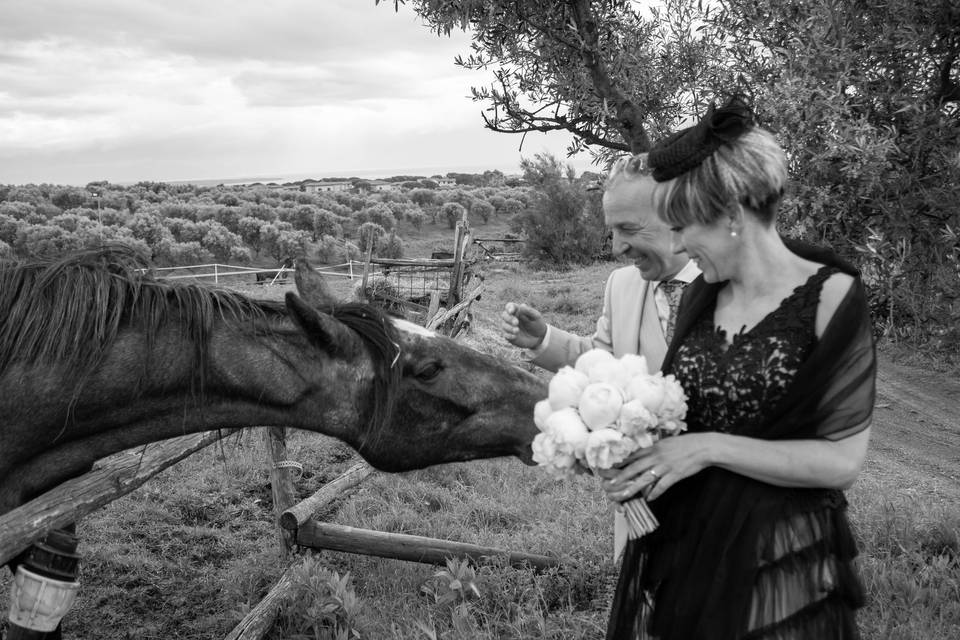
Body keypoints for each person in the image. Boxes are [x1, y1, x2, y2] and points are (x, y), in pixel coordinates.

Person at [601, 98, 875, 639]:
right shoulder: (703, 294)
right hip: (690, 549)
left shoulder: (832, 298)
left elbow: (842, 461)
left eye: (683, 227)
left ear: (731, 216)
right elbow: (679, 410)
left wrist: (708, 449)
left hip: (780, 563)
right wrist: (630, 448)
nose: (676, 244)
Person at [500, 155, 699, 560]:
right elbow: (603, 364)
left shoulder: (729, 283)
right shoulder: (621, 285)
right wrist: (543, 340)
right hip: (639, 508)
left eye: (628, 228)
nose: (617, 247)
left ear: (678, 217)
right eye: (612, 231)